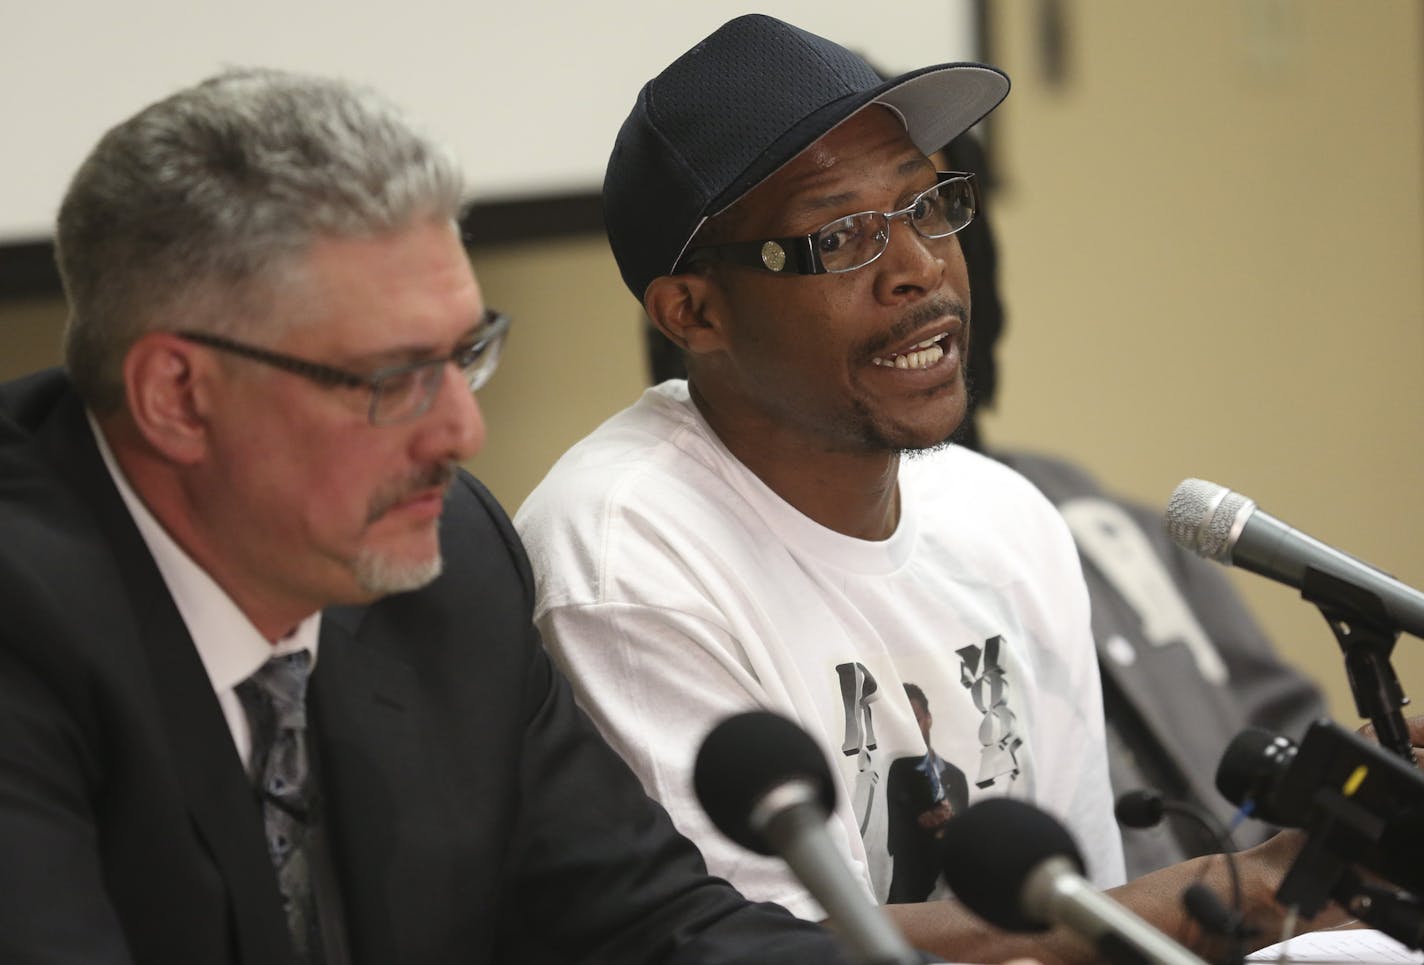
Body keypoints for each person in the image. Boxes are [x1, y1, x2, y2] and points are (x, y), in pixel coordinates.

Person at [514, 14, 1347, 963]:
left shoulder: (1007, 521)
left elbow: (1085, 912)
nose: (921, 269)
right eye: (839, 237)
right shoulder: (625, 554)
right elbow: (771, 950)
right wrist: (1253, 888)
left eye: (927, 205)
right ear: (692, 311)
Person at [0, 68, 868, 965]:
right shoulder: (25, 623)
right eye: (392, 379)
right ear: (176, 395)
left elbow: (648, 924)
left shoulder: (450, 560)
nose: (463, 431)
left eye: (465, 355)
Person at [934, 131, 1330, 879]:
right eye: (850, 235)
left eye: (943, 216)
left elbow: (1288, 723)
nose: (921, 270)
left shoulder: (1095, 512)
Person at [887, 684, 969, 904]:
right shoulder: (891, 774)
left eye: (916, 720)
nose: (911, 730)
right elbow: (889, 840)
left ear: (929, 718)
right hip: (902, 899)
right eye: (904, 723)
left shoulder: (955, 776)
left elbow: (962, 845)